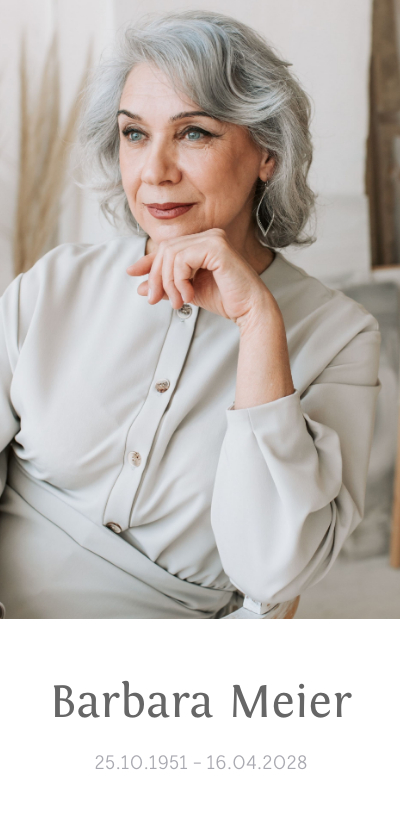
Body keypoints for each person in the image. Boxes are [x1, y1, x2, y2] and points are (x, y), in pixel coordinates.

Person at [0, 11, 380, 619]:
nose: (154, 172)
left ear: (269, 153)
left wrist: (259, 322)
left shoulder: (341, 337)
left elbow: (272, 570)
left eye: (194, 133)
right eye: (134, 134)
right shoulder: (53, 284)